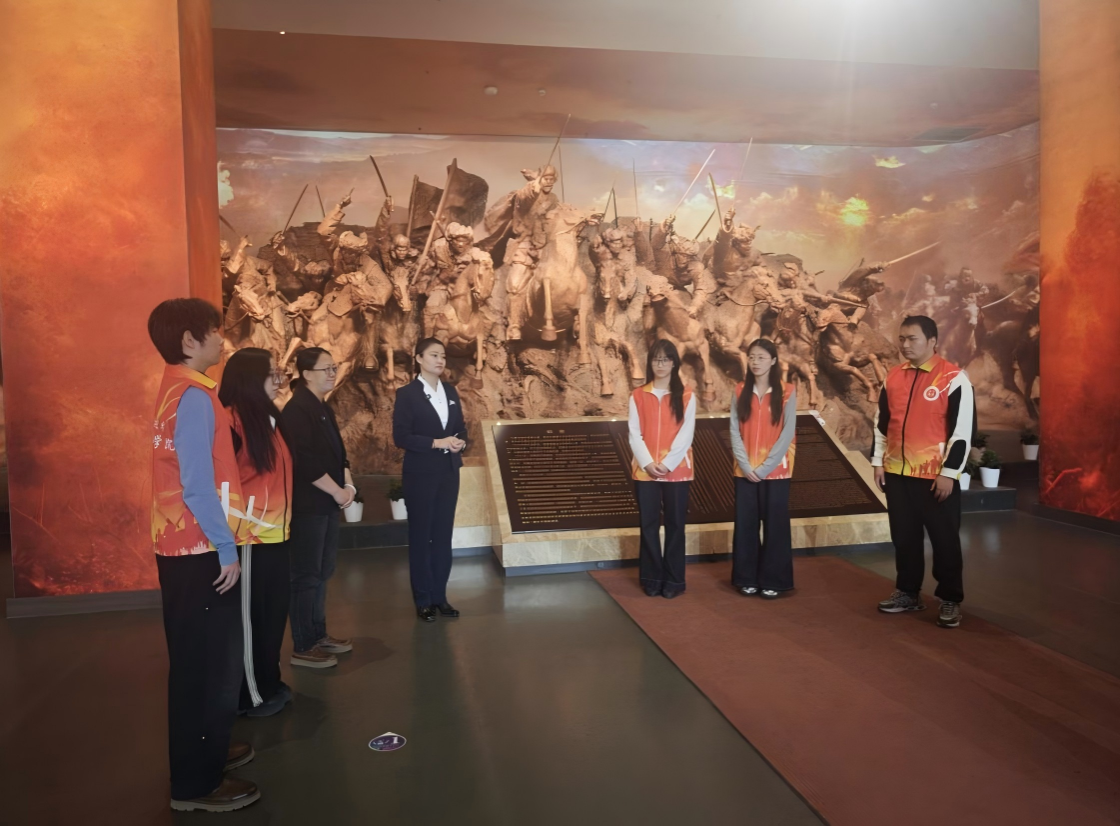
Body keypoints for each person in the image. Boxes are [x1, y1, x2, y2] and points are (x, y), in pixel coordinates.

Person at [147, 298, 260, 813]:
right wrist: (225, 547)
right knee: (207, 666)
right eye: (215, 331)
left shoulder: (178, 388)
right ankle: (195, 783)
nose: (222, 339)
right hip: (199, 549)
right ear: (189, 341)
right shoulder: (193, 396)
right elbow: (196, 484)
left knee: (201, 660)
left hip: (184, 546)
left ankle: (208, 747)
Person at [872, 315, 974, 628]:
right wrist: (878, 461)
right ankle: (908, 592)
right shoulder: (893, 376)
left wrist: (949, 473)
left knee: (944, 540)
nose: (905, 345)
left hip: (935, 477)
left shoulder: (954, 378)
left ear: (932, 341)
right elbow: (882, 423)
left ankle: (950, 598)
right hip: (897, 473)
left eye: (912, 338)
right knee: (904, 537)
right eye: (901, 339)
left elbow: (962, 432)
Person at [218, 348, 294, 717]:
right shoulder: (229, 422)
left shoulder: (268, 419)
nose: (278, 380)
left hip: (276, 535)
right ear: (251, 378)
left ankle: (268, 680)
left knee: (272, 615)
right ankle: (250, 695)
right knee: (250, 619)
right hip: (249, 538)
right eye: (271, 373)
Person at [279, 347, 355, 667]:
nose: (332, 373)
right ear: (307, 373)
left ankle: (318, 633)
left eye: (334, 367)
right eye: (326, 368)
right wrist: (337, 491)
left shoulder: (322, 406)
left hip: (327, 503)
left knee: (323, 571)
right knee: (306, 575)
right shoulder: (297, 409)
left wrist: (348, 486)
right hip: (309, 506)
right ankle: (303, 644)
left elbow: (339, 454)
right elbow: (304, 460)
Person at [392, 338, 466, 621]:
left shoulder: (450, 391)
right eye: (434, 355)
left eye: (443, 356)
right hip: (420, 474)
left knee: (443, 536)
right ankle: (422, 599)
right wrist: (436, 442)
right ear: (419, 358)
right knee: (422, 536)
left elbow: (460, 428)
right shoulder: (407, 394)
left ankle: (440, 597)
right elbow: (401, 437)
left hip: (448, 472)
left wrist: (460, 442)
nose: (440, 360)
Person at [628, 339, 697, 598]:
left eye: (666, 359)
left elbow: (686, 434)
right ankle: (651, 578)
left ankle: (674, 580)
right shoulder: (638, 395)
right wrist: (647, 462)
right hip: (644, 470)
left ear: (674, 363)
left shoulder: (687, 395)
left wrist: (667, 464)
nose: (661, 364)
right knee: (648, 525)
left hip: (677, 470)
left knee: (675, 525)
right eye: (656, 359)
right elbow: (634, 433)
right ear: (650, 363)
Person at [730, 339, 797, 599]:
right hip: (744, 470)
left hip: (776, 471)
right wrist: (746, 465)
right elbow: (734, 431)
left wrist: (765, 467)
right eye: (752, 357)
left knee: (775, 525)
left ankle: (774, 580)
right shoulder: (739, 390)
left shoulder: (787, 391)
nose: (755, 362)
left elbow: (787, 432)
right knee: (746, 525)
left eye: (761, 357)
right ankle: (746, 578)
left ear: (773, 361)